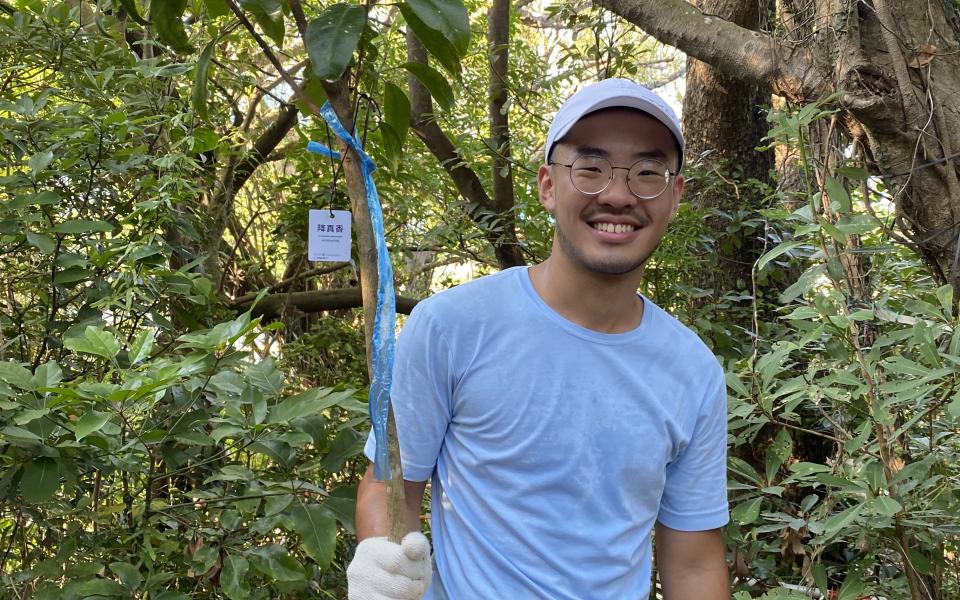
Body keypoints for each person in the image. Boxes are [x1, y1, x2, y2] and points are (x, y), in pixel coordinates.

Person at [347, 78, 730, 599]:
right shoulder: (452, 327)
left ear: (674, 196)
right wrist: (381, 563)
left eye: (647, 172)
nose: (618, 195)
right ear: (548, 185)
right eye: (590, 168)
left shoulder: (694, 372)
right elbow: (391, 484)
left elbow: (694, 565)